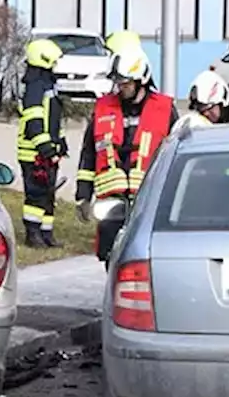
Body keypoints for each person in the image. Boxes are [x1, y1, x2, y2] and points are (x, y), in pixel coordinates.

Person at [75, 49, 178, 265]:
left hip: (151, 199)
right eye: (118, 83)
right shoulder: (103, 108)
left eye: (125, 83)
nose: (120, 88)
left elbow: (177, 155)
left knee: (145, 255)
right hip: (112, 202)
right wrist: (83, 195)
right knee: (110, 255)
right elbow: (89, 154)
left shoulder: (165, 110)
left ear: (141, 80)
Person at [16, 39, 67, 248]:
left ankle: (46, 234)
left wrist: (61, 143)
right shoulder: (35, 86)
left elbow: (54, 119)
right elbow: (34, 122)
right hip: (34, 153)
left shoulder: (48, 85)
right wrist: (45, 148)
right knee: (36, 194)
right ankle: (33, 234)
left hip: (48, 151)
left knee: (48, 194)